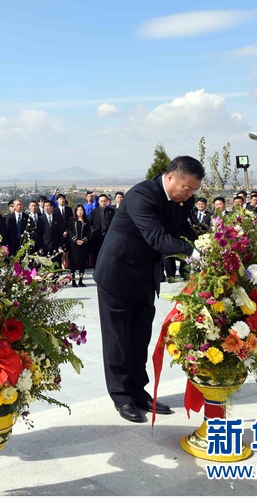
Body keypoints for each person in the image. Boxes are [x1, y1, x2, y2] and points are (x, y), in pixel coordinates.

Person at [94, 156, 202, 423]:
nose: (189, 195)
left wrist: (210, 241)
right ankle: (122, 397)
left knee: (140, 336)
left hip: (145, 275)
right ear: (171, 177)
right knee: (118, 338)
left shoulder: (184, 200)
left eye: (193, 190)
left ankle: (138, 392)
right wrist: (192, 252)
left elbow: (187, 229)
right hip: (117, 274)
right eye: (187, 188)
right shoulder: (142, 195)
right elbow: (156, 238)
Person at [68, 204, 91, 287]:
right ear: (76, 211)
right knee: (73, 263)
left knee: (82, 263)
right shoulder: (72, 220)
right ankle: (73, 280)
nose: (80, 212)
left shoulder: (86, 221)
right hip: (73, 244)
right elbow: (69, 230)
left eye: (81, 210)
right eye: (78, 210)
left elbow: (89, 233)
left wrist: (83, 240)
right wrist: (75, 240)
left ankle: (81, 280)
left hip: (83, 245)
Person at [89, 193, 115, 264]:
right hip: (97, 235)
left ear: (107, 201)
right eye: (101, 201)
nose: (103, 202)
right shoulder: (94, 212)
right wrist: (93, 231)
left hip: (108, 235)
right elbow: (90, 223)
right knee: (97, 253)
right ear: (99, 202)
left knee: (108, 253)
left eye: (104, 201)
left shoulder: (112, 211)